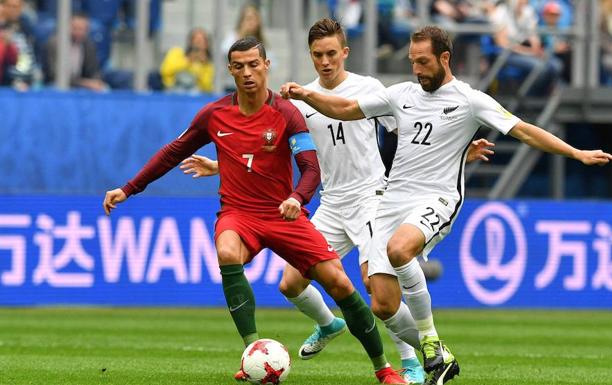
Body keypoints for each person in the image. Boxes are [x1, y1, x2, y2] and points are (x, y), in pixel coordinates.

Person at [281, 26, 612, 385]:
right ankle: (440, 359)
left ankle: (428, 340)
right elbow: (347, 109)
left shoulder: (470, 100)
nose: (418, 69)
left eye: (424, 62)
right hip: (392, 200)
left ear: (444, 58)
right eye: (413, 62)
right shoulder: (401, 94)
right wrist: (307, 95)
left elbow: (523, 130)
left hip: (436, 198)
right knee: (382, 304)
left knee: (400, 249)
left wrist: (575, 152)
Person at [180, 18, 495, 385]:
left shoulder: (369, 88)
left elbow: (411, 132)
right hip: (331, 202)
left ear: (344, 52)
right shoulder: (303, 101)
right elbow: (270, 150)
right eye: (318, 55)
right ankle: (329, 323)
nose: (325, 61)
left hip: (372, 198)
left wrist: (456, 150)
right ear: (310, 56)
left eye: (332, 53)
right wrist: (221, 165)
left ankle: (412, 361)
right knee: (290, 283)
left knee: (376, 289)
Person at [103, 36, 408, 385]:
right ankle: (253, 353)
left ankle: (384, 369)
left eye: (253, 64)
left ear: (266, 66)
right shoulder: (214, 114)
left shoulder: (286, 113)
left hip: (282, 214)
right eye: (239, 66)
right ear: (230, 70)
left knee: (339, 283)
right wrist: (128, 188)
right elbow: (173, 152)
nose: (247, 72)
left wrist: (297, 198)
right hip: (238, 214)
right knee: (226, 251)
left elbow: (310, 168)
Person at [44, 13, 107, 91]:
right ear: (67, 27)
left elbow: (94, 70)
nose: (79, 32)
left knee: (103, 89)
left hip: (82, 85)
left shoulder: (88, 44)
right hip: (57, 84)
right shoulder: (54, 44)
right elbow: (55, 75)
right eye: (75, 28)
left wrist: (96, 81)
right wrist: (85, 83)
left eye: (83, 29)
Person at [160, 27, 215, 93]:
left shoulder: (208, 65)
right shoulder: (176, 52)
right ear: (190, 42)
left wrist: (203, 65)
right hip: (173, 90)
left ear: (206, 45)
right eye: (196, 40)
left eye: (201, 41)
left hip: (196, 94)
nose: (198, 44)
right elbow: (165, 71)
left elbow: (207, 88)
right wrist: (187, 61)